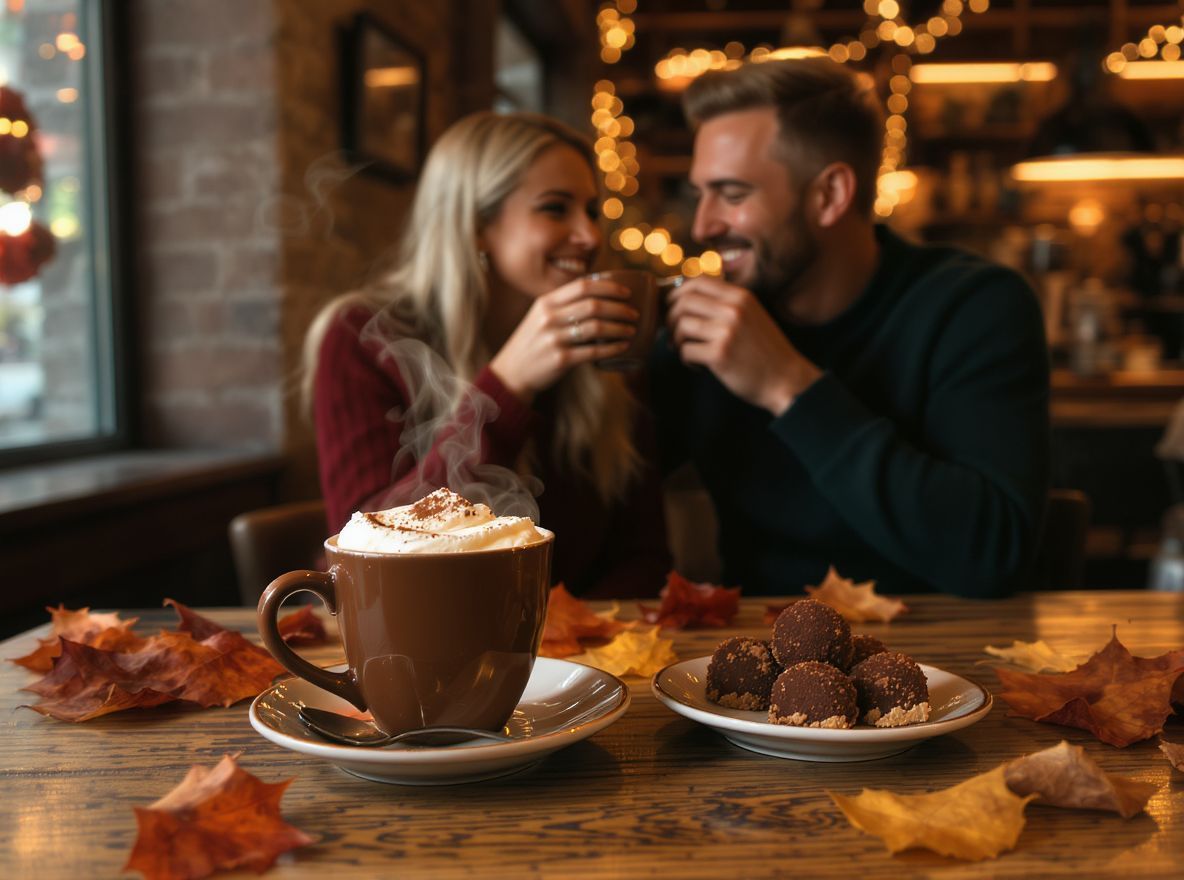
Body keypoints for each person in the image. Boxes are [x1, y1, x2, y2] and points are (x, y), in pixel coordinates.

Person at [651, 58, 1050, 598]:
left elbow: (992, 555)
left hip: (946, 659)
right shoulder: (701, 329)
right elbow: (590, 508)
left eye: (733, 194)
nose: (703, 226)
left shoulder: (972, 306)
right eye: (700, 194)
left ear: (830, 194)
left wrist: (787, 387)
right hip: (753, 656)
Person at [304, 111, 670, 597]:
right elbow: (367, 552)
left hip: (580, 657)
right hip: (416, 647)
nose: (589, 236)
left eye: (592, 210)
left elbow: (643, 555)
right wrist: (506, 387)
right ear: (476, 224)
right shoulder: (363, 337)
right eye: (556, 209)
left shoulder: (599, 352)